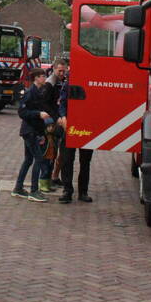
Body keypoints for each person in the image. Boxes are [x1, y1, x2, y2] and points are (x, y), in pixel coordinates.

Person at [11, 69, 56, 202]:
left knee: (29, 159)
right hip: (29, 131)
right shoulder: (31, 92)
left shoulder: (39, 91)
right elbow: (22, 112)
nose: (44, 78)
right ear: (36, 78)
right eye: (42, 76)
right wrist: (38, 114)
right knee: (39, 159)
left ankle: (18, 188)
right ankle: (34, 191)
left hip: (33, 130)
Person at [56, 60, 93, 204]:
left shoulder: (92, 81)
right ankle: (67, 190)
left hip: (87, 127)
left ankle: (83, 191)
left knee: (85, 161)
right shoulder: (69, 81)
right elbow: (63, 102)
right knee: (66, 159)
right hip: (70, 126)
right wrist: (63, 116)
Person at [45, 60, 68, 188]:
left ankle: (55, 176)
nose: (61, 73)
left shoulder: (63, 81)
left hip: (61, 121)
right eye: (59, 70)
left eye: (63, 70)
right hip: (53, 122)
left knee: (62, 153)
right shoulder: (50, 83)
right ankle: (47, 178)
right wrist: (55, 117)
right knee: (51, 152)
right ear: (53, 69)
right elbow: (46, 105)